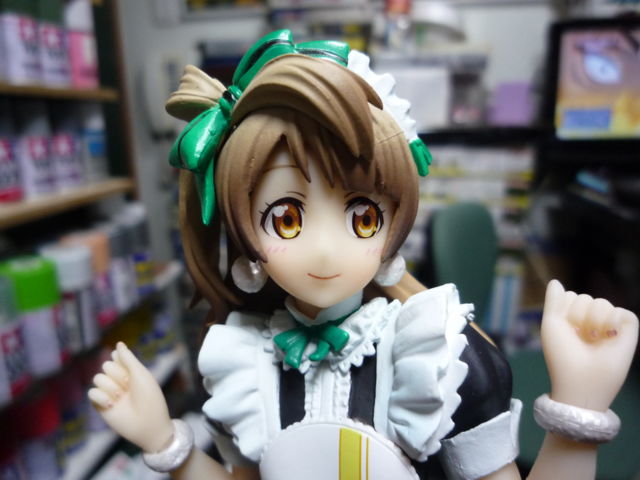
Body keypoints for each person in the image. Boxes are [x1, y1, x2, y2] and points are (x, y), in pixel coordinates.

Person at [89, 30, 639, 480]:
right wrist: (165, 442)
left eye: (363, 218)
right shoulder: (245, 365)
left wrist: (578, 410)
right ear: (245, 240)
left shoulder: (436, 358)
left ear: (394, 223)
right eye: (287, 219)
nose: (326, 248)